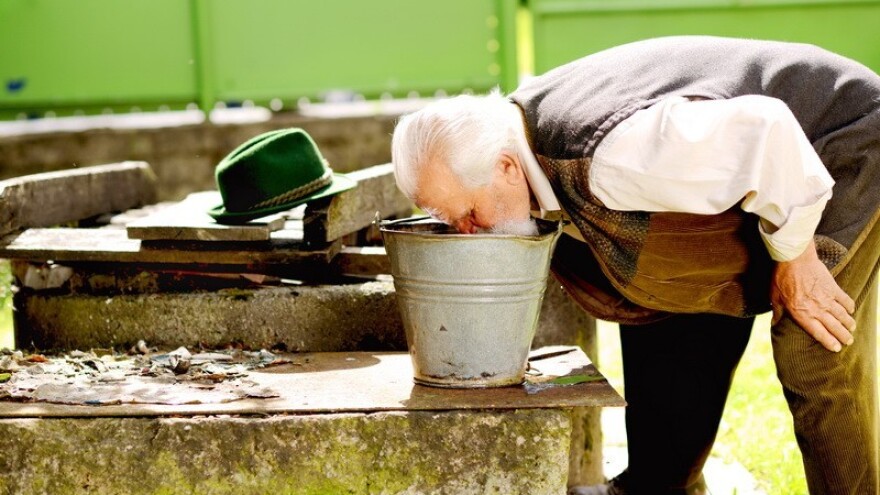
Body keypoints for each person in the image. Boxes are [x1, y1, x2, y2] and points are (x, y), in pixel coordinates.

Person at [390, 36, 880, 495]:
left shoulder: (612, 156)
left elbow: (768, 131)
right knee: (662, 294)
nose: (467, 233)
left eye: (470, 215)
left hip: (839, 141)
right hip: (767, 167)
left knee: (812, 343)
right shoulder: (509, 133)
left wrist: (796, 257)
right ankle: (657, 487)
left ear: (505, 167)